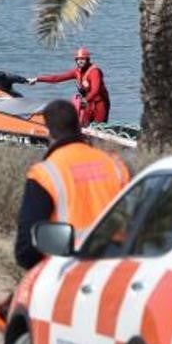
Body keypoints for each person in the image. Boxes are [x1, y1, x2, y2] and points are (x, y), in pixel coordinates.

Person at [13, 100, 130, 270]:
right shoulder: (116, 165)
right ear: (78, 125)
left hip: (67, 268)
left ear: (48, 132)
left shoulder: (44, 174)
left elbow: (26, 249)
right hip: (118, 266)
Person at [27, 47, 110, 126]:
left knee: (98, 126)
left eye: (83, 59)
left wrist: (85, 100)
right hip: (88, 103)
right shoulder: (76, 72)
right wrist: (38, 79)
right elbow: (56, 78)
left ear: (88, 60)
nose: (80, 61)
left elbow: (95, 90)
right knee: (84, 125)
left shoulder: (94, 72)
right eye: (78, 59)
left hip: (100, 104)